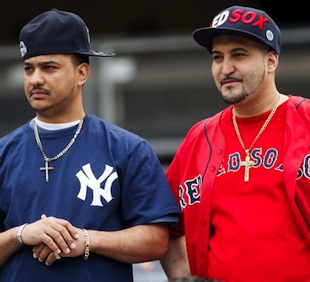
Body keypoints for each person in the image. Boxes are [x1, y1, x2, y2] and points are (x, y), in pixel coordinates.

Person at [0, 9, 180, 282]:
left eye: (49, 67)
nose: (35, 79)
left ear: (82, 73)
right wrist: (21, 234)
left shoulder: (127, 148)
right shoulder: (4, 152)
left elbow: (156, 241)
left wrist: (86, 240)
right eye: (29, 68)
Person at [160, 5, 310, 282]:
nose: (225, 68)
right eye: (218, 57)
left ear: (271, 61)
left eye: (239, 55)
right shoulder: (198, 137)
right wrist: (181, 277)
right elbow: (165, 225)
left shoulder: (307, 120)